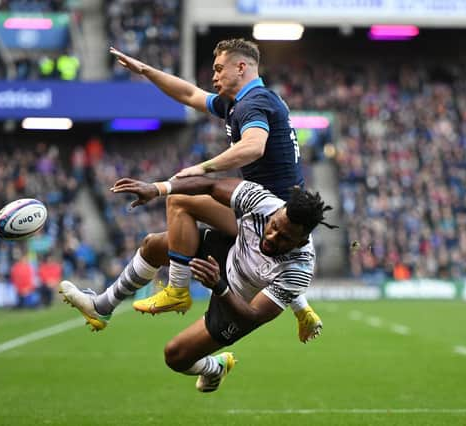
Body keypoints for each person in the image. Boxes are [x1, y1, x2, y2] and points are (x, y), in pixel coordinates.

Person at [110, 39, 322, 340]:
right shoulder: (240, 102)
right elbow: (189, 93)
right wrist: (146, 70)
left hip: (268, 213)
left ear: (241, 67)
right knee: (201, 226)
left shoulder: (253, 103)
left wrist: (204, 168)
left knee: (181, 198)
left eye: (219, 69)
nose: (214, 76)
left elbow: (254, 146)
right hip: (267, 208)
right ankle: (301, 307)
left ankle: (177, 289)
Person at [60, 175, 336, 391]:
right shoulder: (262, 202)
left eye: (284, 238)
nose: (272, 236)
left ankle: (215, 369)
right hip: (228, 253)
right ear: (278, 212)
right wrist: (156, 188)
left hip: (237, 301)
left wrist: (220, 286)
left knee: (175, 357)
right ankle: (104, 306)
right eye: (274, 225)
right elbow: (211, 183)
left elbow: (253, 316)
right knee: (157, 238)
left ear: (300, 241)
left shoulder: (299, 267)